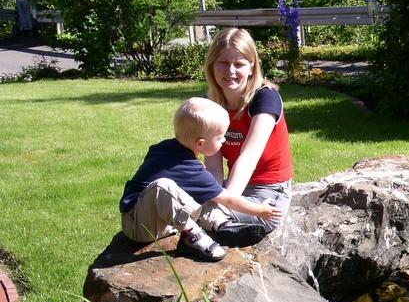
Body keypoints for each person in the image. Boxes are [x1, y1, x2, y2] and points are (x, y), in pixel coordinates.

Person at [120, 97, 283, 262]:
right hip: (138, 225)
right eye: (220, 137)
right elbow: (228, 199)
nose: (224, 140)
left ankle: (220, 226)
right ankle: (191, 237)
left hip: (164, 220)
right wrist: (260, 210)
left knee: (206, 192)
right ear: (200, 144)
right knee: (164, 186)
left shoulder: (167, 149)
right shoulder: (186, 166)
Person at [203, 27, 293, 247]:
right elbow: (213, 167)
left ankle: (220, 227)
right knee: (193, 205)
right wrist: (213, 197)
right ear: (212, 65)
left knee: (203, 215)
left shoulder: (266, 98)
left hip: (270, 191)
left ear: (252, 66)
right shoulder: (212, 104)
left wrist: (225, 203)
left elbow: (249, 157)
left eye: (239, 64)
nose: (230, 71)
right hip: (236, 187)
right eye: (223, 63)